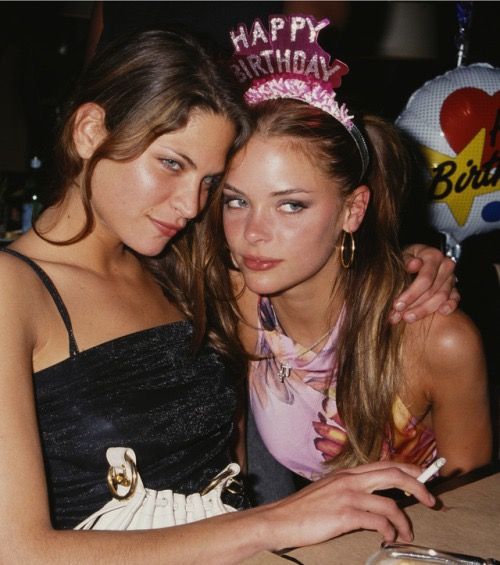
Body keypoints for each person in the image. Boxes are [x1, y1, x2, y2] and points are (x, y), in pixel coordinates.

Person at [0, 27, 444, 563]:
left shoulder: (184, 268)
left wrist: (416, 264)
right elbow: (18, 550)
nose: (190, 205)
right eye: (171, 163)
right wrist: (277, 520)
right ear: (91, 130)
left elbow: (322, 271)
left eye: (211, 182)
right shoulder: (13, 288)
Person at [204, 14, 492, 501]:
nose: (253, 233)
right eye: (237, 200)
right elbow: (236, 474)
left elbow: (473, 517)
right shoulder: (237, 301)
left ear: (352, 210)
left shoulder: (436, 339)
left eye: (291, 204)